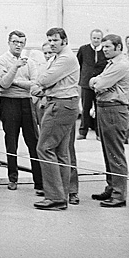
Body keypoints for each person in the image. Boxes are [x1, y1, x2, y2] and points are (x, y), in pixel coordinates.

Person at [32, 27, 80, 211]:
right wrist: (42, 85)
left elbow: (44, 78)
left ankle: (55, 197)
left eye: (55, 40)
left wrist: (40, 86)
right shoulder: (57, 58)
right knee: (61, 151)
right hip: (63, 103)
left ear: (64, 41)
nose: (51, 43)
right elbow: (46, 79)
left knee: (44, 148)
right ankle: (62, 195)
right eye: (49, 40)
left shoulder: (66, 58)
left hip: (60, 105)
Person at [0, 30, 43, 193]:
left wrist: (16, 81)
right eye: (15, 42)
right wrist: (15, 68)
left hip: (27, 102)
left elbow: (35, 84)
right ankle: (12, 178)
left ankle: (39, 181)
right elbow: (4, 83)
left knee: (33, 142)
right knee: (11, 142)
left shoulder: (30, 62)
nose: (18, 45)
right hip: (9, 103)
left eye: (21, 43)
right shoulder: (1, 61)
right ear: (9, 43)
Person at [89, 34, 129, 208]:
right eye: (103, 47)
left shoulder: (120, 65)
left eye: (108, 47)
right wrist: (97, 82)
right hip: (105, 108)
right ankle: (112, 186)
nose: (104, 49)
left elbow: (98, 85)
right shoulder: (111, 64)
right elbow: (94, 81)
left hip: (114, 109)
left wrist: (97, 82)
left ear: (118, 47)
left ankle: (119, 194)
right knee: (108, 152)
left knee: (115, 152)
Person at [77, 29, 106, 139]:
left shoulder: (104, 50)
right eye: (94, 38)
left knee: (99, 108)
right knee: (85, 108)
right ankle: (82, 132)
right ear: (91, 38)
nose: (96, 40)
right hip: (86, 84)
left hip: (100, 85)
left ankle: (99, 133)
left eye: (98, 38)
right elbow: (78, 64)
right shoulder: (83, 49)